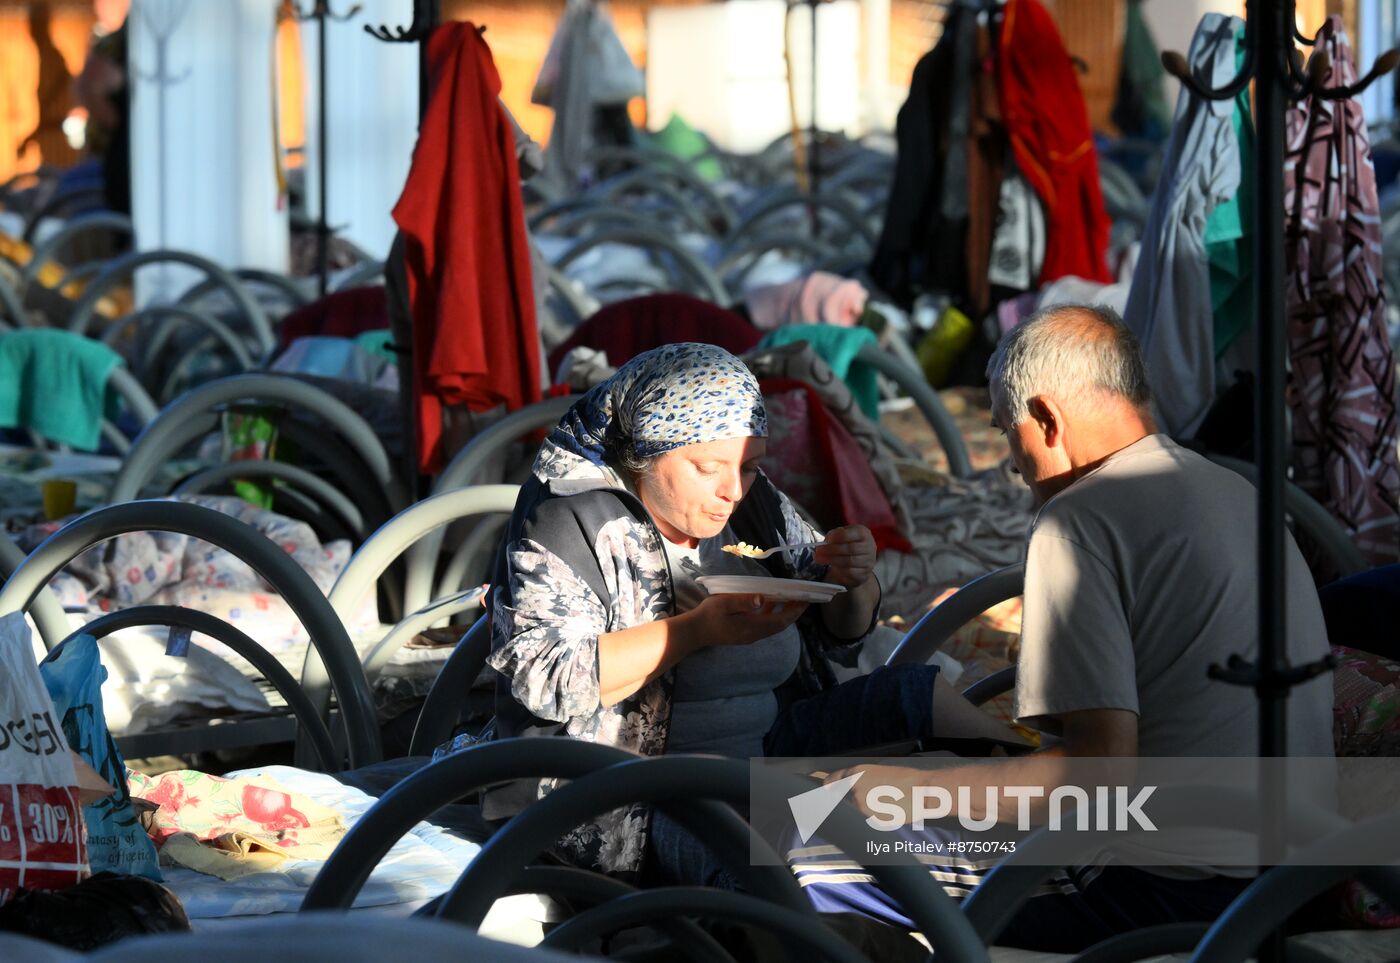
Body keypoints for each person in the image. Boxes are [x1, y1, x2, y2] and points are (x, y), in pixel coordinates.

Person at [798, 305, 1336, 952]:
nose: (1014, 466)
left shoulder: (1078, 522)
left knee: (793, 844)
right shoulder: (1236, 490)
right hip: (1294, 869)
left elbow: (1094, 774)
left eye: (1007, 434)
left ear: (1048, 419)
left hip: (1164, 882)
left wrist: (900, 790)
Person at [460, 342, 1024, 883]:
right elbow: (546, 680)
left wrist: (849, 580)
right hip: (637, 795)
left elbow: (841, 637)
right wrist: (696, 631)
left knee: (917, 694)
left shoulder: (750, 504)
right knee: (807, 850)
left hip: (766, 747)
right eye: (708, 468)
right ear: (646, 454)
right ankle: (979, 889)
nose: (732, 489)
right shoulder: (570, 517)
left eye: (750, 466)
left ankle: (1057, 800)